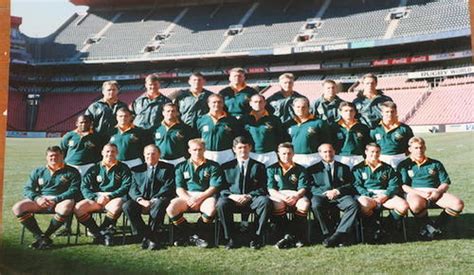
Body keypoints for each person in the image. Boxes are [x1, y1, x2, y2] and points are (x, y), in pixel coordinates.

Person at [12, 146, 81, 249]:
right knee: (18, 207)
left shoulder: (72, 171)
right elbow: (27, 189)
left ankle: (46, 236)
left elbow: (74, 190)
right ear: (46, 157)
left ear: (62, 156)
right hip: (42, 200)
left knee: (66, 206)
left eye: (57, 155)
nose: (54, 158)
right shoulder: (38, 171)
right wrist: (37, 199)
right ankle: (40, 236)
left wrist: (56, 199)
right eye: (51, 156)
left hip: (60, 200)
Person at [398, 137, 464, 240]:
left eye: (421, 147)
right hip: (415, 192)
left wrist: (438, 191)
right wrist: (421, 193)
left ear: (425, 148)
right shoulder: (405, 165)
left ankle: (436, 226)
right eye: (416, 148)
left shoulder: (435, 163)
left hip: (434, 191)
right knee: (415, 205)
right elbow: (404, 186)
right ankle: (426, 226)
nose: (419, 150)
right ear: (410, 149)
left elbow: (445, 182)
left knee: (458, 204)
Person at [166, 139, 225, 248]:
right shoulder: (180, 166)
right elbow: (179, 188)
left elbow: (213, 187)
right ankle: (192, 234)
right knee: (171, 209)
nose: (197, 152)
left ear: (204, 150)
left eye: (200, 149)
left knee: (211, 209)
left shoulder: (213, 166)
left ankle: (196, 234)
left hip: (205, 195)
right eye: (194, 150)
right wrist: (189, 199)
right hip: (186, 195)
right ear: (189, 150)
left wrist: (199, 198)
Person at [217, 136, 271, 249]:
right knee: (221, 203)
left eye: (245, 147)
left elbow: (263, 187)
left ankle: (256, 237)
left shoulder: (259, 166)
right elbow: (221, 188)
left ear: (250, 148)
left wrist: (249, 195)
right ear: (234, 149)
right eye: (240, 148)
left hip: (252, 199)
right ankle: (231, 238)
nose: (243, 150)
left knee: (265, 201)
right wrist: (233, 196)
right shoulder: (226, 167)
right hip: (232, 199)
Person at [74, 143, 132, 246]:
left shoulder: (123, 167)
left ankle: (99, 231)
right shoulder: (94, 168)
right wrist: (95, 198)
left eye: (113, 152)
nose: (110, 154)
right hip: (97, 198)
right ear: (102, 153)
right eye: (107, 151)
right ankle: (99, 233)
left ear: (117, 153)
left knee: (117, 205)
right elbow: (84, 186)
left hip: (114, 198)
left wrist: (110, 196)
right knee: (79, 208)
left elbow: (126, 186)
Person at [57, 114, 104, 236]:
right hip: (71, 169)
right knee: (70, 196)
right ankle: (67, 227)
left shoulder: (96, 137)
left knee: (88, 196)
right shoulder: (69, 136)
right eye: (81, 122)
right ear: (76, 123)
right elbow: (62, 152)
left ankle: (89, 228)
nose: (84, 124)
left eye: (87, 122)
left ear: (90, 124)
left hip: (89, 169)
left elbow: (100, 154)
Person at [352, 143, 409, 242]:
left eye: (377, 152)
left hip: (385, 195)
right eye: (372, 152)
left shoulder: (387, 167)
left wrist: (386, 195)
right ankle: (374, 226)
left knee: (403, 206)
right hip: (367, 195)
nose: (375, 154)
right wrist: (370, 195)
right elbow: (356, 185)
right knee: (364, 205)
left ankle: (386, 225)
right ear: (366, 152)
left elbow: (394, 185)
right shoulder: (358, 168)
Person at [123, 145, 175, 250]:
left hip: (159, 199)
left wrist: (154, 199)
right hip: (141, 200)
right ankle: (149, 236)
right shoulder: (135, 170)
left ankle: (149, 237)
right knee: (127, 206)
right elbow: (132, 188)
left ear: (159, 155)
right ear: (143, 155)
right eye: (147, 154)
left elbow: (168, 186)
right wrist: (140, 200)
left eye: (153, 153)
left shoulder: (168, 168)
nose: (150, 156)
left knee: (159, 203)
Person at [307, 144, 359, 248]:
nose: (328, 154)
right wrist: (326, 192)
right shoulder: (312, 169)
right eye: (325, 152)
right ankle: (328, 233)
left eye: (330, 151)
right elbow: (310, 186)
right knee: (315, 205)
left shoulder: (344, 167)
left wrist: (337, 191)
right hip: (322, 195)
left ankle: (339, 234)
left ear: (334, 152)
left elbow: (350, 184)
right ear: (320, 154)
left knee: (353, 205)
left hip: (340, 195)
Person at [267, 143, 310, 249]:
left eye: (289, 153)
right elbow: (271, 189)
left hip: (295, 194)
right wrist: (283, 197)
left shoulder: (300, 169)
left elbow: (303, 188)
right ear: (278, 154)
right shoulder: (272, 168)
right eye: (283, 153)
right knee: (277, 204)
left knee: (304, 204)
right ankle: (285, 235)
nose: (286, 156)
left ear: (293, 154)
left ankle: (298, 236)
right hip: (279, 195)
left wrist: (296, 196)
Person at [240, 94, 287, 167]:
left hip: (270, 154)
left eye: (260, 102)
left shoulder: (274, 119)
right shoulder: (244, 119)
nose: (258, 104)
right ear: (250, 103)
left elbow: (281, 137)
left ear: (265, 103)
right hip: (251, 154)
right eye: (255, 102)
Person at [285, 97, 330, 168]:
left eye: (303, 107)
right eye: (298, 107)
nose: (300, 109)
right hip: (295, 158)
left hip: (314, 158)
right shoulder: (288, 124)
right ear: (293, 108)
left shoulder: (318, 122)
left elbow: (326, 141)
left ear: (309, 108)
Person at [196, 94, 240, 164]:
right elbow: (197, 138)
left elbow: (237, 137)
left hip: (227, 154)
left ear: (223, 104)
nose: (217, 104)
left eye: (219, 102)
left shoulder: (232, 120)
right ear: (208, 104)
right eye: (214, 102)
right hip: (207, 154)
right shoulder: (201, 120)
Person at [370, 101, 414, 169]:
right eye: (387, 112)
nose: (390, 114)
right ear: (382, 113)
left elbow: (412, 146)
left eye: (392, 111)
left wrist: (402, 155)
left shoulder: (404, 128)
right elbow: (370, 146)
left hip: (400, 159)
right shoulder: (375, 129)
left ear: (396, 112)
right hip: (381, 158)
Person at [331, 101, 370, 169]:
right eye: (346, 111)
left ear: (355, 112)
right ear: (340, 112)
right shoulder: (334, 127)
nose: (349, 113)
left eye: (351, 111)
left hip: (358, 157)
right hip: (340, 157)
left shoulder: (363, 127)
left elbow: (367, 143)